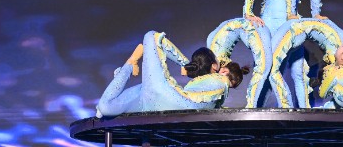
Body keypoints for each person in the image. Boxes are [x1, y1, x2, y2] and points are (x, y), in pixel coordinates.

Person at [95, 31, 248, 116]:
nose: (225, 79)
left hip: (160, 99)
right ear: (216, 67)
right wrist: (187, 65)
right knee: (105, 108)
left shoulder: (220, 83)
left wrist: (184, 64)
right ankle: (131, 64)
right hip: (157, 98)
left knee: (151, 37)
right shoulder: (216, 82)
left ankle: (128, 66)